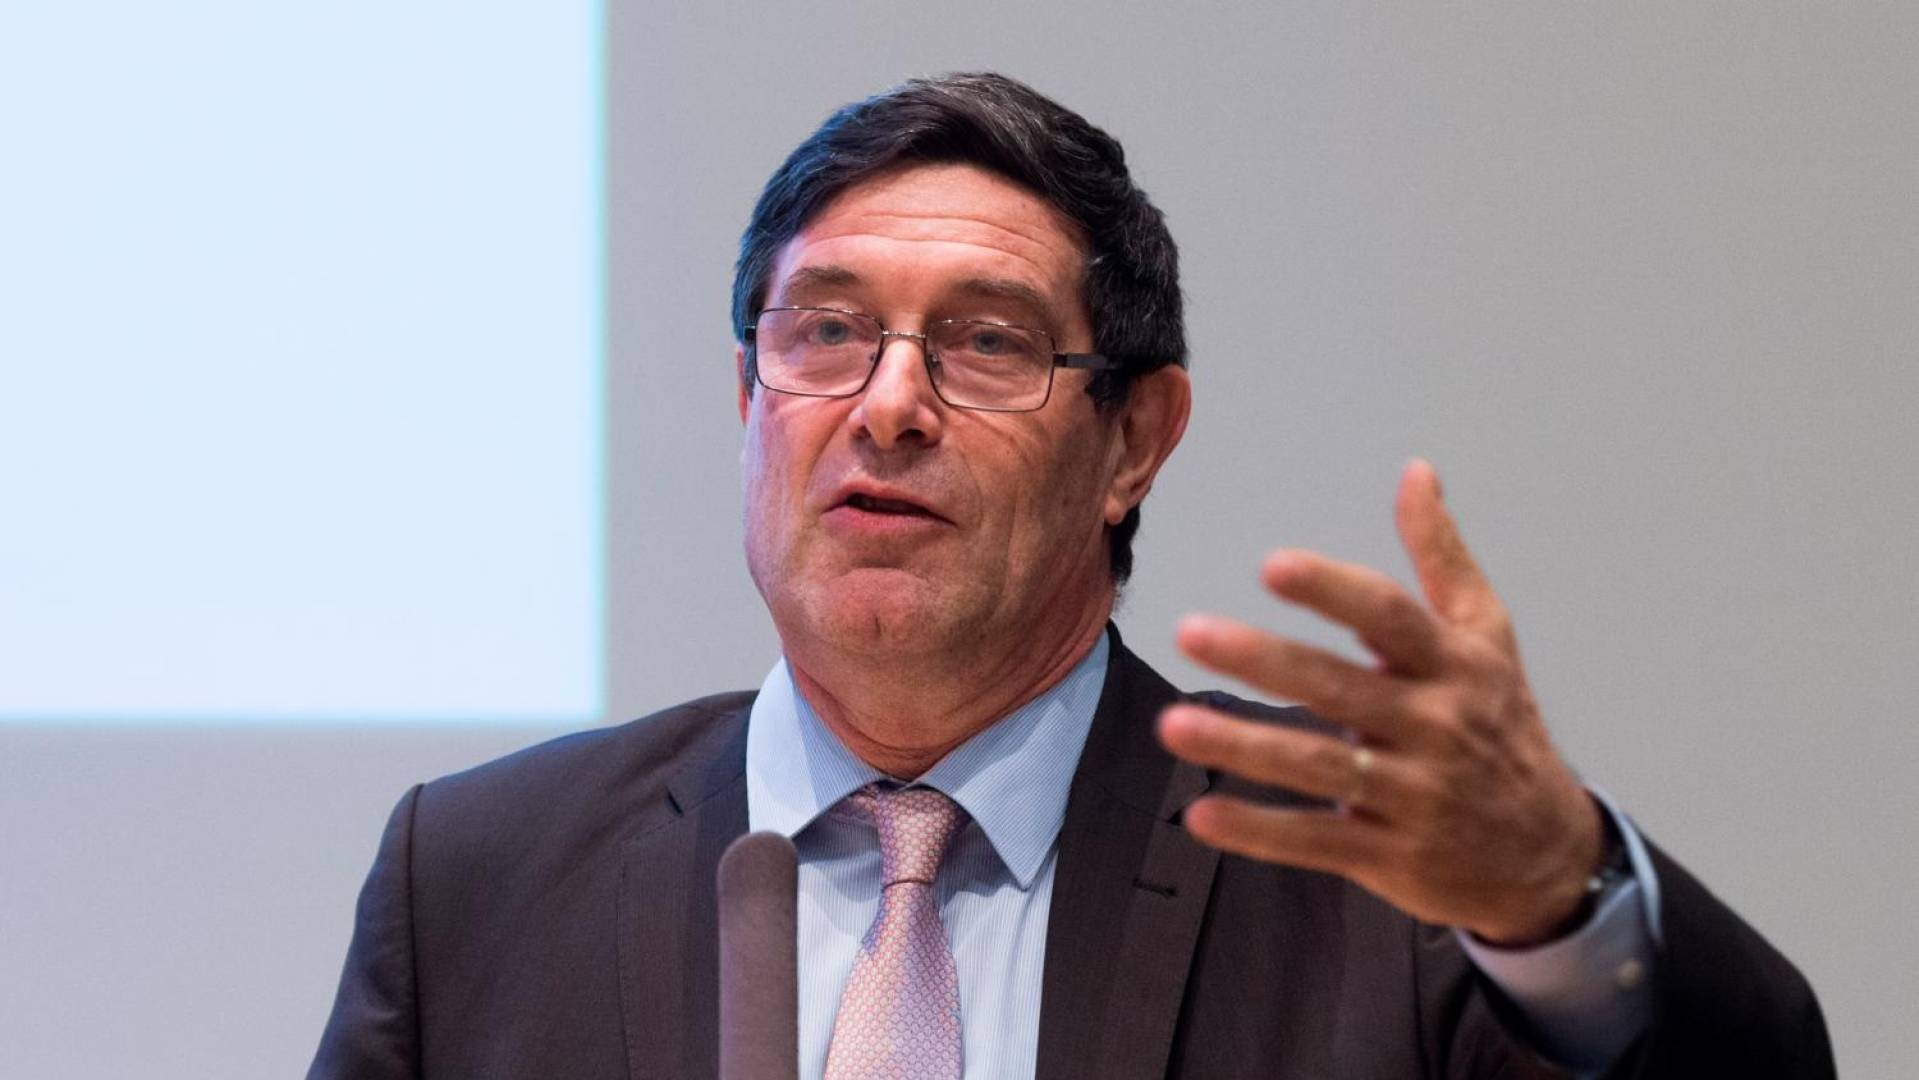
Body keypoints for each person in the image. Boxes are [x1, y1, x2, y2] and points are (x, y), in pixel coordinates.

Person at [309, 72, 1832, 1079]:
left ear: (1135, 441)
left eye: (986, 343)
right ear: (747, 398)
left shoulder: (1373, 875)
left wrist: (1561, 898)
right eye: (824, 332)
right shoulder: (483, 878)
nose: (887, 405)